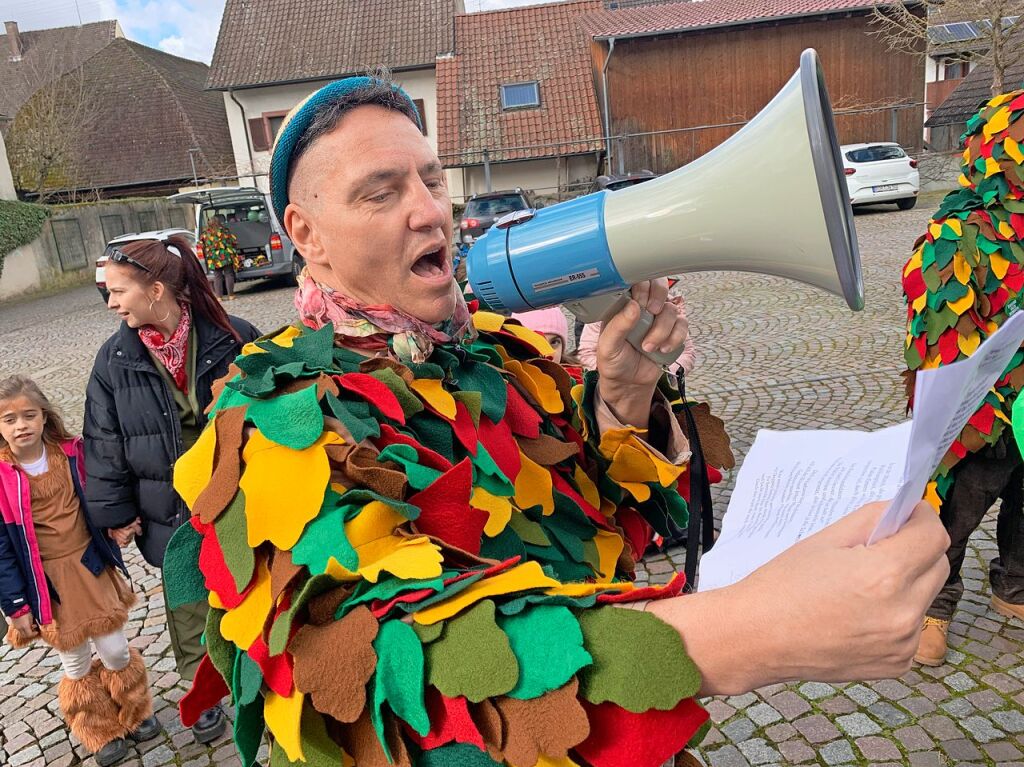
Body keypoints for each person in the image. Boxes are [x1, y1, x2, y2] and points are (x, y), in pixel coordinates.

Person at [162, 76, 949, 767]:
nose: (429, 211)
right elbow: (384, 669)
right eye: (381, 191)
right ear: (305, 233)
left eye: (432, 180)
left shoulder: (504, 353)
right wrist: (747, 635)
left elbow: (602, 528)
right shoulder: (273, 417)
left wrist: (623, 395)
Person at [83, 235, 260, 744]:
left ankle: (260, 674)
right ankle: (202, 691)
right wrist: (116, 511)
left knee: (248, 584)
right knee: (187, 597)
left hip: (235, 496)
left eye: (118, 291)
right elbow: (103, 438)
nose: (112, 303)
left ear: (156, 290)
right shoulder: (114, 357)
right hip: (167, 507)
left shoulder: (233, 334)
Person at [903, 89, 1024, 666]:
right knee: (958, 506)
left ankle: (1014, 585)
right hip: (981, 408)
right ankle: (934, 605)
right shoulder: (959, 232)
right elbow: (938, 331)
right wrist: (965, 409)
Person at [0, 376, 161, 767]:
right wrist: (16, 606)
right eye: (8, 419)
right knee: (74, 660)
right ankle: (98, 728)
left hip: (89, 565)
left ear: (44, 417)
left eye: (28, 415)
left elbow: (103, 498)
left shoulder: (73, 453)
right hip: (48, 582)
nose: (21, 425)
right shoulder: (3, 478)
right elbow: (2, 550)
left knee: (115, 649)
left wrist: (119, 523)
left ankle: (135, 710)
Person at [577, 291, 697, 375]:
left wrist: (667, 376)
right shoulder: (606, 306)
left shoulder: (666, 304)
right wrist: (607, 375)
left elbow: (687, 351)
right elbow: (586, 353)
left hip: (666, 395)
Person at [199, 215, 239, 300]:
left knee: (217, 276)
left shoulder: (205, 234)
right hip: (226, 255)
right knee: (229, 274)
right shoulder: (225, 231)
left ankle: (219, 297)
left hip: (214, 257)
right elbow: (234, 241)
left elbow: (200, 245)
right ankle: (231, 295)